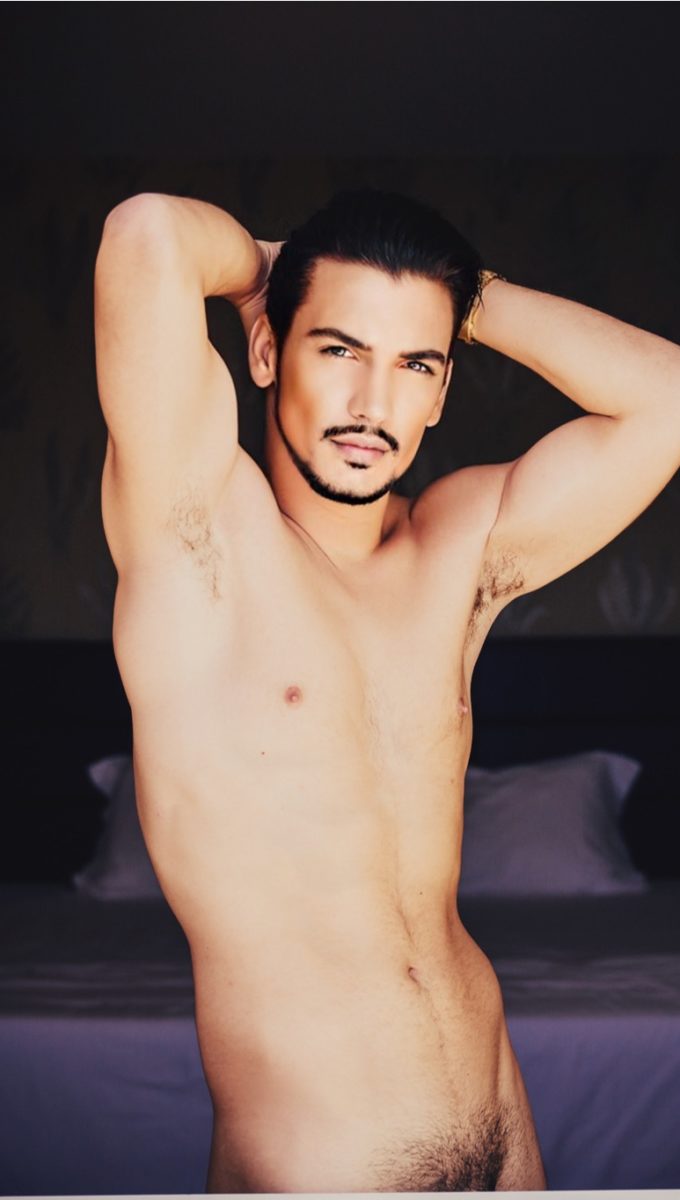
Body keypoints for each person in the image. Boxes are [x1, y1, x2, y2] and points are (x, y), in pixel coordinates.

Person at [94, 187, 680, 1193]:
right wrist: (271, 269)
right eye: (340, 348)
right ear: (268, 351)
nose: (374, 404)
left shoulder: (456, 550)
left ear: (441, 391)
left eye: (415, 365)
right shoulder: (199, 540)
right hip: (320, 1170)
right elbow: (146, 234)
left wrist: (465, 297)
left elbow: (665, 400)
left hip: (505, 1143)